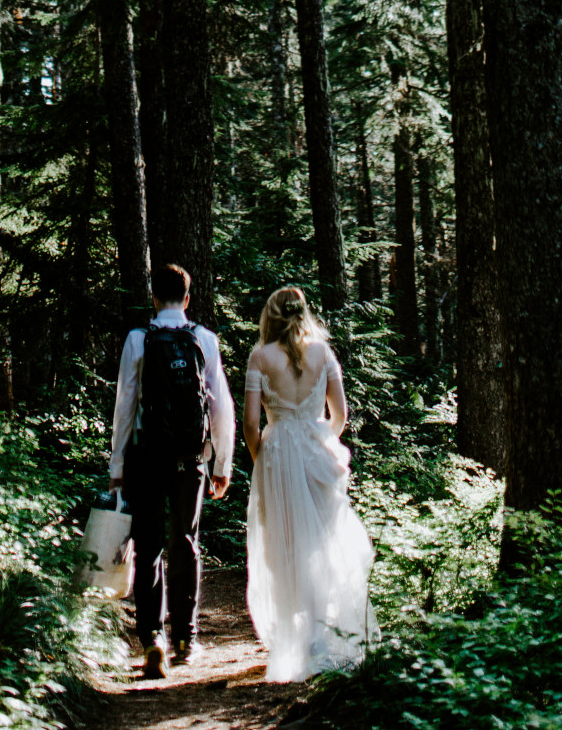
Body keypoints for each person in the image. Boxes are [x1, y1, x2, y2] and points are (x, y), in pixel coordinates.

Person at [244, 284, 376, 683]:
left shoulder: (260, 357)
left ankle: (300, 640)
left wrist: (262, 455)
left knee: (285, 545)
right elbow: (341, 413)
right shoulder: (324, 353)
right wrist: (322, 439)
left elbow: (251, 423)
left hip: (279, 453)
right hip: (318, 451)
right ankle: (320, 634)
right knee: (321, 541)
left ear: (271, 316)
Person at [109, 262, 234, 680]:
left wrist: (117, 464)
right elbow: (220, 407)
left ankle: (151, 640)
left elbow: (125, 404)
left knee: (148, 546)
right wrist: (222, 463)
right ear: (187, 297)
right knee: (186, 541)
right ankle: (186, 637)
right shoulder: (204, 339)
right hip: (190, 458)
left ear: (154, 297)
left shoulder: (138, 339)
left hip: (147, 456)